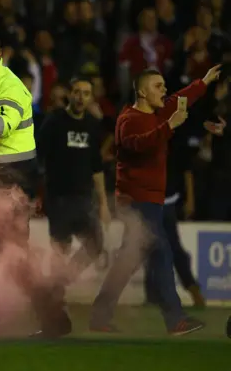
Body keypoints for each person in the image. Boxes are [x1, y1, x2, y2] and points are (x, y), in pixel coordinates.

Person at [90, 65, 222, 336]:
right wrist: (169, 126)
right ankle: (176, 320)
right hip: (136, 200)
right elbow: (135, 145)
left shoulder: (158, 111)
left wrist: (204, 81)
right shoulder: (129, 118)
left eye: (164, 85)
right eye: (158, 86)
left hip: (150, 199)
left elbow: (180, 98)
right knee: (161, 252)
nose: (164, 90)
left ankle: (99, 317)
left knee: (127, 261)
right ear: (141, 91)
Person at [0, 30, 71, 338]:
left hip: (14, 173)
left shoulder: (9, 85)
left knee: (8, 250)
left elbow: (2, 123)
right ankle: (43, 314)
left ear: (0, 53)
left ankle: (37, 313)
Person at [38, 77, 110, 283]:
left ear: (91, 98)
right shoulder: (54, 121)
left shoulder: (92, 125)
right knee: (61, 249)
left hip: (83, 198)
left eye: (86, 93)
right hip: (58, 198)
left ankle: (61, 282)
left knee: (95, 245)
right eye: (77, 92)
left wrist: (104, 203)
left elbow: (97, 168)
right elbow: (40, 155)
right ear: (70, 95)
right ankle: (53, 292)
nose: (80, 97)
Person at [144, 128, 206, 308]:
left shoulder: (177, 138)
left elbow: (187, 170)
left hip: (167, 200)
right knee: (152, 246)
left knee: (171, 248)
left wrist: (191, 199)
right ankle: (154, 295)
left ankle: (191, 289)